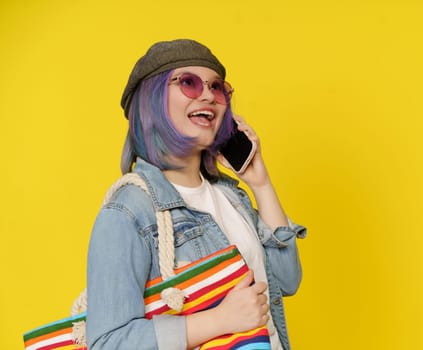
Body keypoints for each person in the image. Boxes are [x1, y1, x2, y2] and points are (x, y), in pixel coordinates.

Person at [86, 39, 306, 350]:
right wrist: (219, 320)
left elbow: (286, 281)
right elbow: (107, 342)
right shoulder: (129, 213)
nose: (208, 95)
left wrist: (261, 184)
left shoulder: (231, 198)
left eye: (217, 88)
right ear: (152, 100)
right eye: (189, 83)